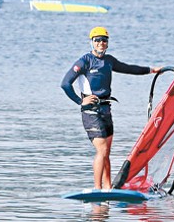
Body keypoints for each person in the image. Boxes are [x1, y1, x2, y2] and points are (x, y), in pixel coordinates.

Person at [61, 26, 161, 190]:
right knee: (102, 150)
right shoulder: (84, 61)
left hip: (106, 109)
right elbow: (65, 84)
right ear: (92, 42)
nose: (101, 43)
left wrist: (151, 70)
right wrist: (80, 102)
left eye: (104, 40)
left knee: (106, 152)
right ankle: (97, 188)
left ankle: (108, 187)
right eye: (98, 40)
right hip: (91, 111)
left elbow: (129, 68)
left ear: (107, 43)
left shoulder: (109, 61)